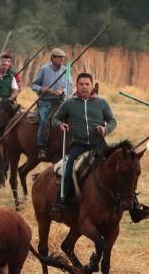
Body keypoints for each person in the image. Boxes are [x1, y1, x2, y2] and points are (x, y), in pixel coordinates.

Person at [50, 73, 116, 218]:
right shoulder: (69, 103)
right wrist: (60, 124)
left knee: (119, 167)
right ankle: (61, 201)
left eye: (87, 84)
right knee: (69, 168)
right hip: (79, 145)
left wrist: (105, 129)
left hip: (98, 144)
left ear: (92, 86)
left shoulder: (101, 103)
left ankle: (133, 205)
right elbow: (55, 118)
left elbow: (112, 121)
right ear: (77, 86)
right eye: (81, 84)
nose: (84, 87)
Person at [31, 48, 73, 159]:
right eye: (59, 57)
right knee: (45, 120)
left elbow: (70, 86)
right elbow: (34, 85)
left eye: (63, 58)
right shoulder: (44, 69)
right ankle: (42, 147)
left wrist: (62, 91)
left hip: (61, 101)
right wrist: (42, 89)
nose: (62, 59)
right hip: (46, 102)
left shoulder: (66, 70)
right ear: (53, 58)